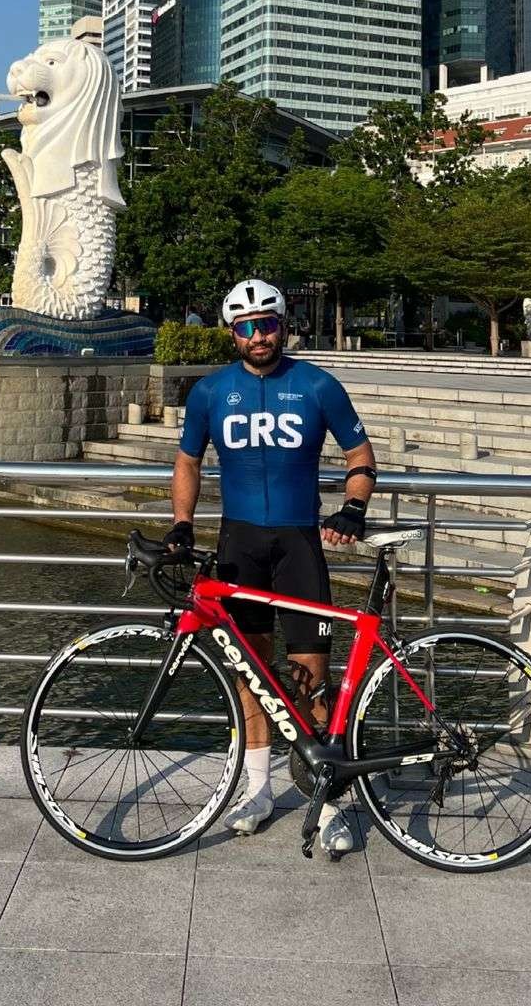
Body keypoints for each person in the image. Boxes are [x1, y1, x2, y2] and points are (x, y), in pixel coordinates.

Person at [164, 277, 376, 857]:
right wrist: (183, 523)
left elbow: (361, 458)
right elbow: (187, 461)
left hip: (300, 546)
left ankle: (330, 803)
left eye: (268, 323)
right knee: (250, 673)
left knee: (312, 676)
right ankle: (257, 791)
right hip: (238, 546)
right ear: (232, 333)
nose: (259, 335)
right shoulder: (209, 392)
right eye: (246, 327)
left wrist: (353, 509)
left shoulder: (316, 385)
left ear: (285, 324)